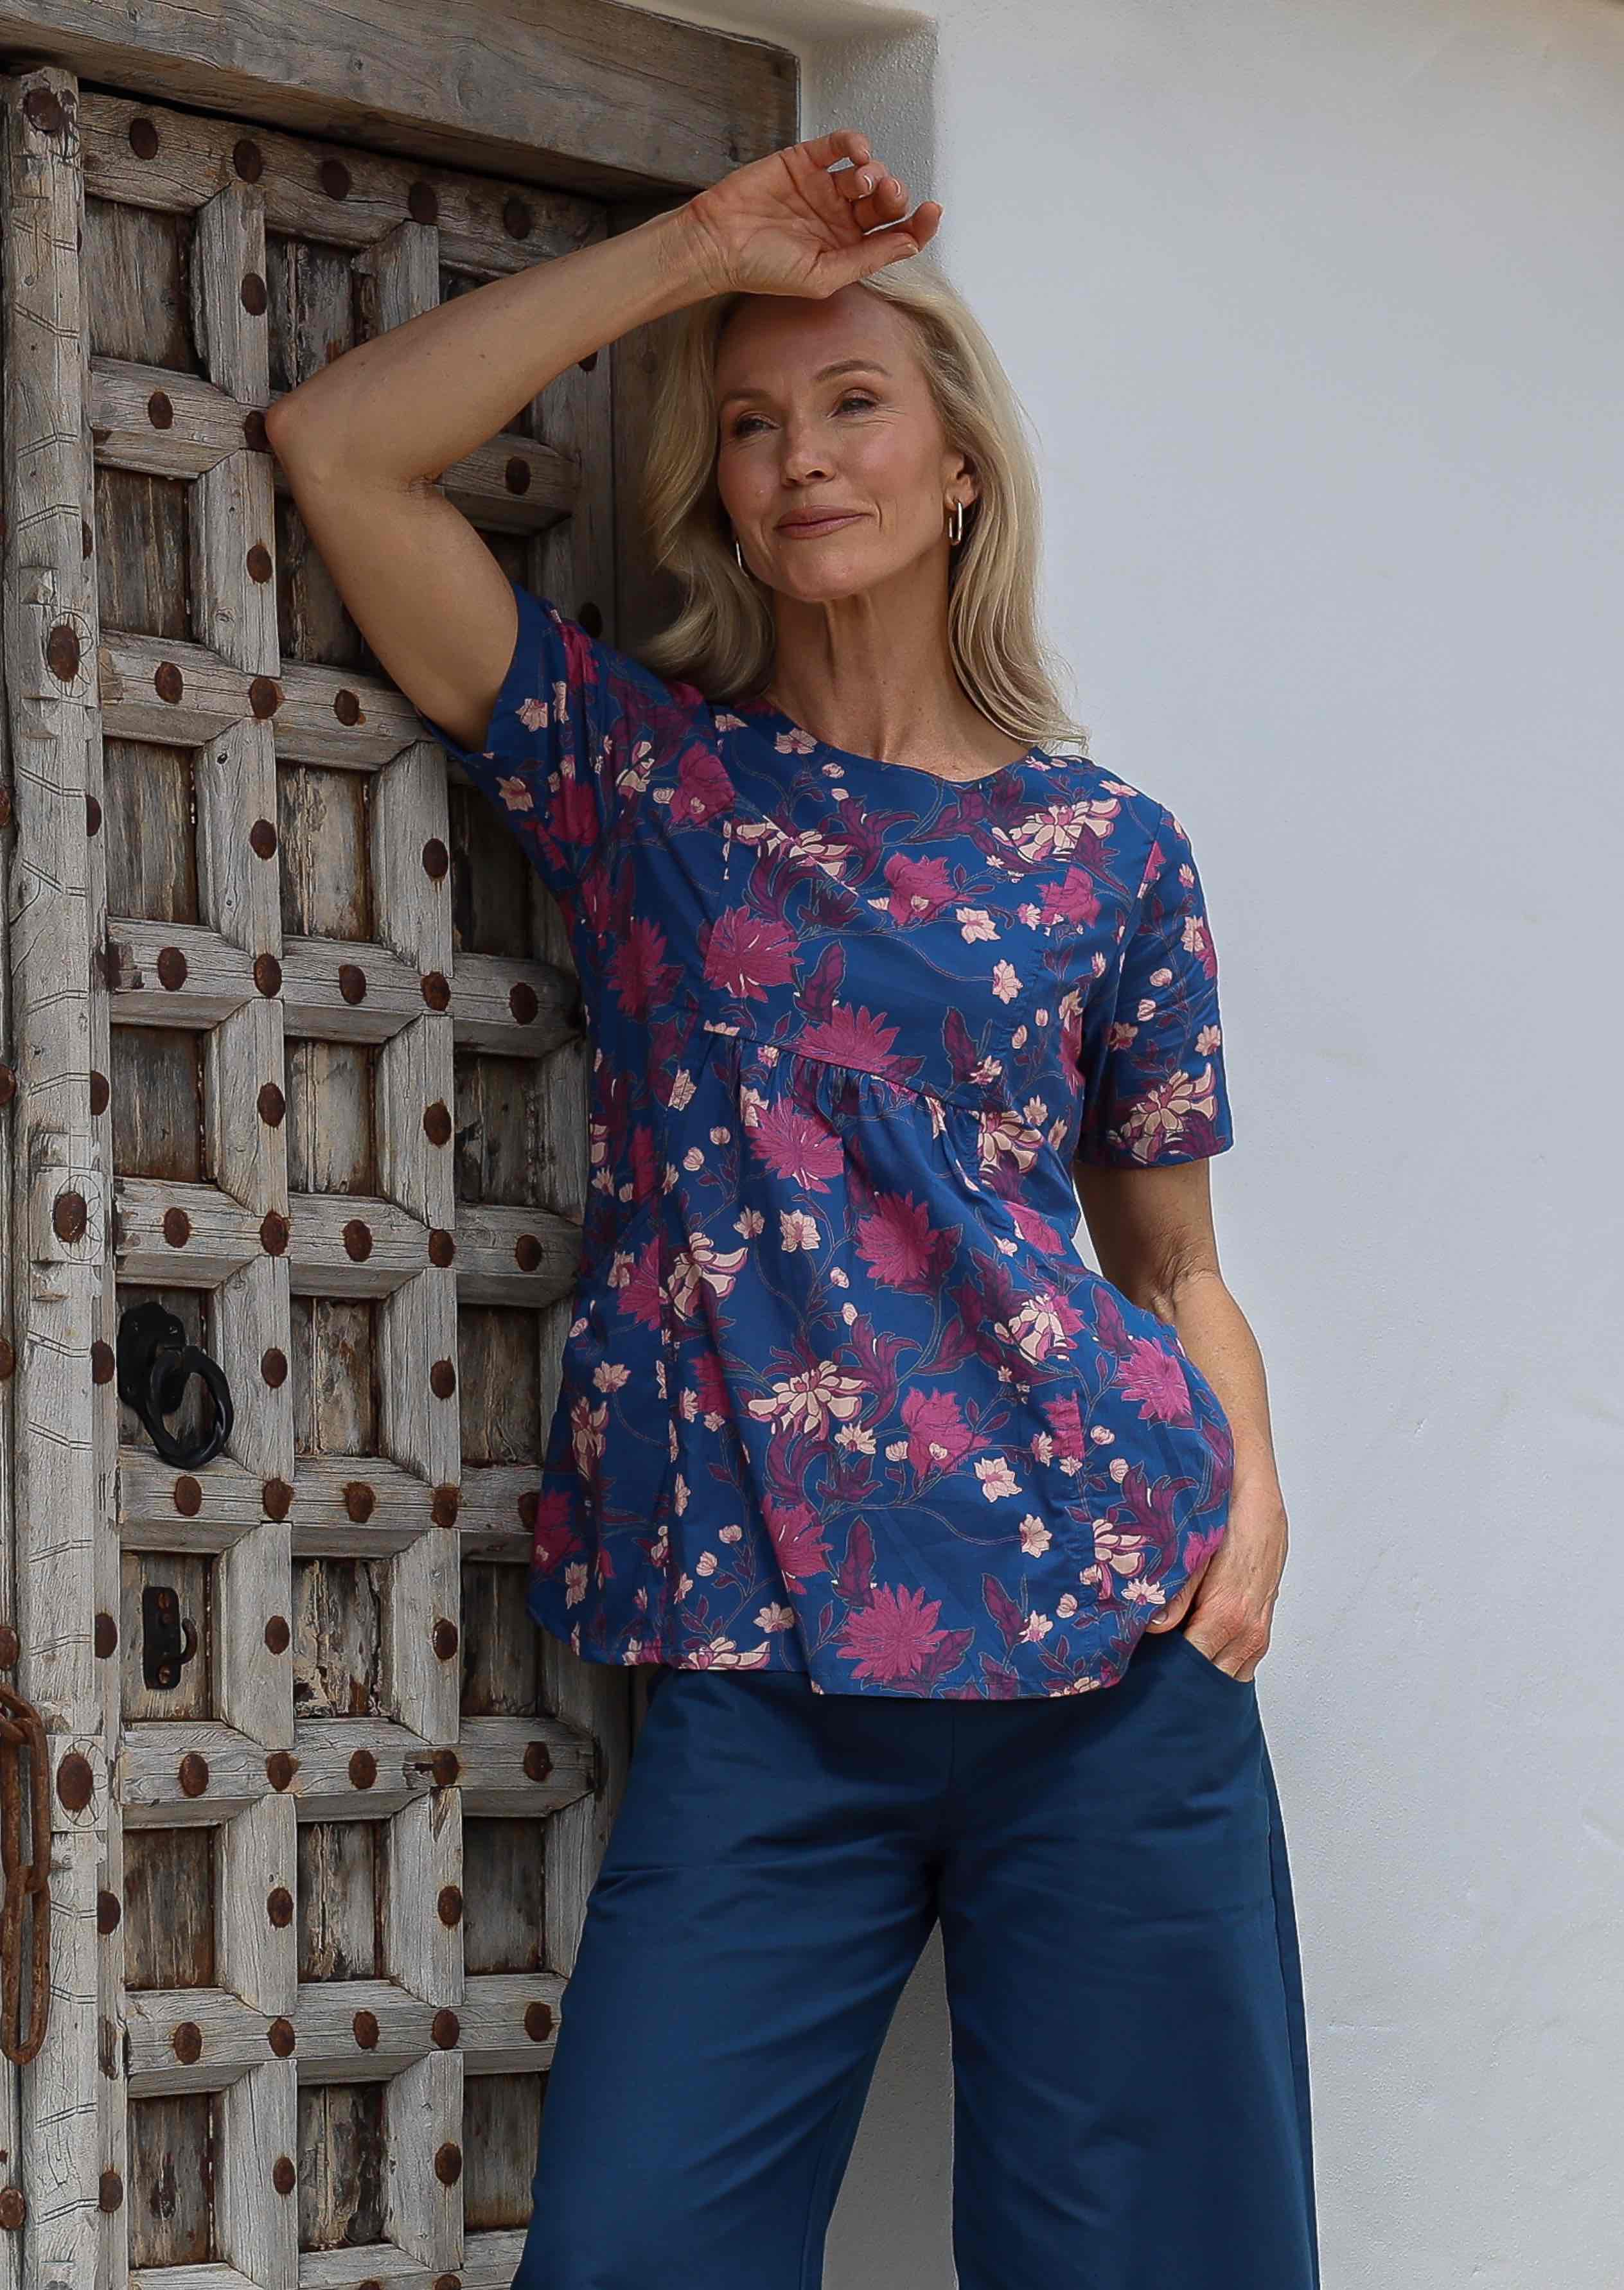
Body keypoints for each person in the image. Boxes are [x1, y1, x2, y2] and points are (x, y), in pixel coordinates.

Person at [267, 127, 1318, 2290]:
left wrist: (1253, 1506)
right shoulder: (648, 781)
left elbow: (1176, 1262)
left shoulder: (1111, 854)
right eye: (751, 425)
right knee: (639, 2253)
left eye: (854, 406)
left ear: (960, 476)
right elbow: (342, 450)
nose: (797, 456)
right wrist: (700, 254)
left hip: (1114, 1664)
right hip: (766, 1677)